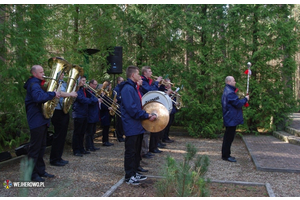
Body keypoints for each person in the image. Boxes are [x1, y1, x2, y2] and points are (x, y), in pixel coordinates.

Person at [120, 66, 157, 185]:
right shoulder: (127, 89)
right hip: (131, 125)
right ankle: (129, 176)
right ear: (132, 75)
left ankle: (135, 172)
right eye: (137, 74)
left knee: (136, 151)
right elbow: (132, 109)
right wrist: (146, 115)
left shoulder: (135, 88)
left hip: (138, 125)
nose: (139, 76)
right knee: (130, 151)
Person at [24, 65, 60, 182]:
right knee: (35, 148)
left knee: (41, 147)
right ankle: (31, 174)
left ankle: (40, 170)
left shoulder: (37, 84)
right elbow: (38, 97)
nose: (43, 73)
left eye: (43, 71)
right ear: (34, 74)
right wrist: (53, 94)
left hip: (42, 120)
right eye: (41, 72)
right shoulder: (33, 84)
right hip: (36, 120)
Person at [50, 72, 78, 166]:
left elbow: (69, 93)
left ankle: (59, 157)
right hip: (56, 110)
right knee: (58, 135)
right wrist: (70, 94)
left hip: (64, 110)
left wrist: (74, 87)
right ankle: (54, 159)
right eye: (62, 74)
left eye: (63, 74)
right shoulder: (54, 82)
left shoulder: (65, 83)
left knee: (62, 135)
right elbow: (59, 93)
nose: (63, 75)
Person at [221, 76, 249, 162]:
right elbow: (237, 103)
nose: (235, 82)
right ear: (229, 82)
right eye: (234, 80)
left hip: (230, 117)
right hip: (231, 118)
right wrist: (245, 99)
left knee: (228, 137)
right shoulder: (230, 92)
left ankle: (226, 154)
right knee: (229, 137)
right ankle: (226, 155)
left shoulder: (228, 91)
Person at [72, 76, 99, 157]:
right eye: (83, 81)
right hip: (78, 113)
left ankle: (81, 148)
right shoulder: (76, 90)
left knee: (82, 133)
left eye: (85, 81)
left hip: (85, 113)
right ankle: (76, 150)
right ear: (78, 81)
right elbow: (82, 100)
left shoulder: (84, 90)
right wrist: (94, 100)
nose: (84, 82)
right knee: (77, 133)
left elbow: (91, 96)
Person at [140, 66, 163, 154]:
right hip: (145, 106)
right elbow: (150, 91)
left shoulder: (148, 81)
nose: (151, 73)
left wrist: (161, 85)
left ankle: (150, 148)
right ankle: (145, 151)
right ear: (145, 73)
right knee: (145, 132)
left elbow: (156, 91)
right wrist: (156, 82)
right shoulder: (144, 81)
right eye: (149, 71)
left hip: (150, 105)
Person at [85, 79, 101, 151]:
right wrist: (97, 99)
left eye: (96, 85)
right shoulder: (88, 91)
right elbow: (90, 100)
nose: (95, 86)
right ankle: (88, 146)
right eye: (94, 84)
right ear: (90, 84)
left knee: (93, 131)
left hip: (94, 113)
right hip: (90, 113)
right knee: (89, 131)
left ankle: (92, 145)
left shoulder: (93, 91)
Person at [100, 81, 114, 146]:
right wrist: (108, 108)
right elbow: (102, 105)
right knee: (105, 127)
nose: (111, 87)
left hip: (107, 113)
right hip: (104, 113)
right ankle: (105, 141)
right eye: (110, 86)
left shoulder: (108, 94)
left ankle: (106, 140)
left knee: (107, 127)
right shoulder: (102, 94)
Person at [113, 76, 125, 142]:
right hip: (119, 106)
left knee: (122, 122)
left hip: (122, 106)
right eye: (121, 81)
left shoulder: (122, 88)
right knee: (119, 122)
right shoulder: (117, 89)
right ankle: (119, 136)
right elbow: (116, 98)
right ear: (118, 81)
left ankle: (121, 135)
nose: (122, 82)